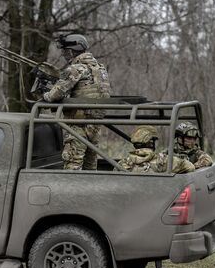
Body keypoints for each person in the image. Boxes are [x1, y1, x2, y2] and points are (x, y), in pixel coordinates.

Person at [43, 34, 111, 170]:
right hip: (95, 126)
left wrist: (44, 94)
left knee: (72, 168)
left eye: (65, 51)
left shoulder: (76, 69)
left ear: (72, 50)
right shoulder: (101, 69)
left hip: (77, 127)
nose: (64, 55)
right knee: (90, 167)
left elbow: (53, 96)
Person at [118, 126, 195, 174]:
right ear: (151, 143)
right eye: (154, 141)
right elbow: (190, 167)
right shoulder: (164, 161)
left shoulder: (122, 163)